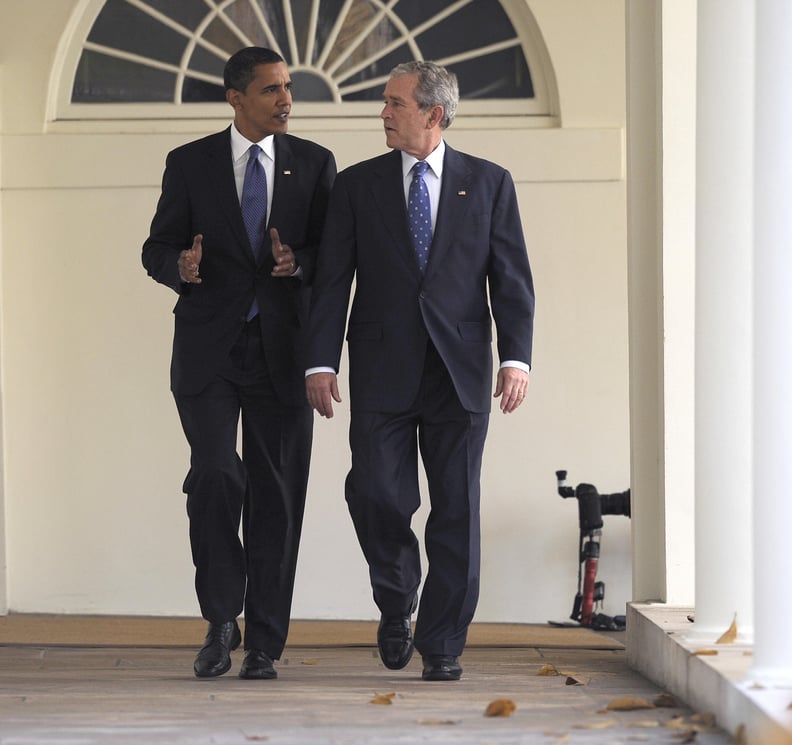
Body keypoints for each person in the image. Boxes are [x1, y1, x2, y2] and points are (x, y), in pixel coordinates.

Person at [305, 61, 534, 681]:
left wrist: (516, 358)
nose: (383, 112)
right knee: (376, 493)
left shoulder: (489, 183)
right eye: (385, 102)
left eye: (394, 102)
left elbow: (511, 282)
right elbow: (332, 282)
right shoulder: (356, 187)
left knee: (457, 510)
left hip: (459, 374)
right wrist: (321, 361)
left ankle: (443, 646)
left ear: (433, 113)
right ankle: (397, 595)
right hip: (382, 368)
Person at [142, 47, 336, 680]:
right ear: (235, 97)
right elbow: (157, 244)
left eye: (288, 89)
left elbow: (332, 258)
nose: (285, 100)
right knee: (219, 474)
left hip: (283, 353)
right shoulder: (190, 163)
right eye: (271, 89)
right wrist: (180, 267)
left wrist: (298, 262)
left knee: (279, 496)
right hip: (210, 353)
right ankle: (222, 616)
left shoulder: (313, 163)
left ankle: (264, 645)